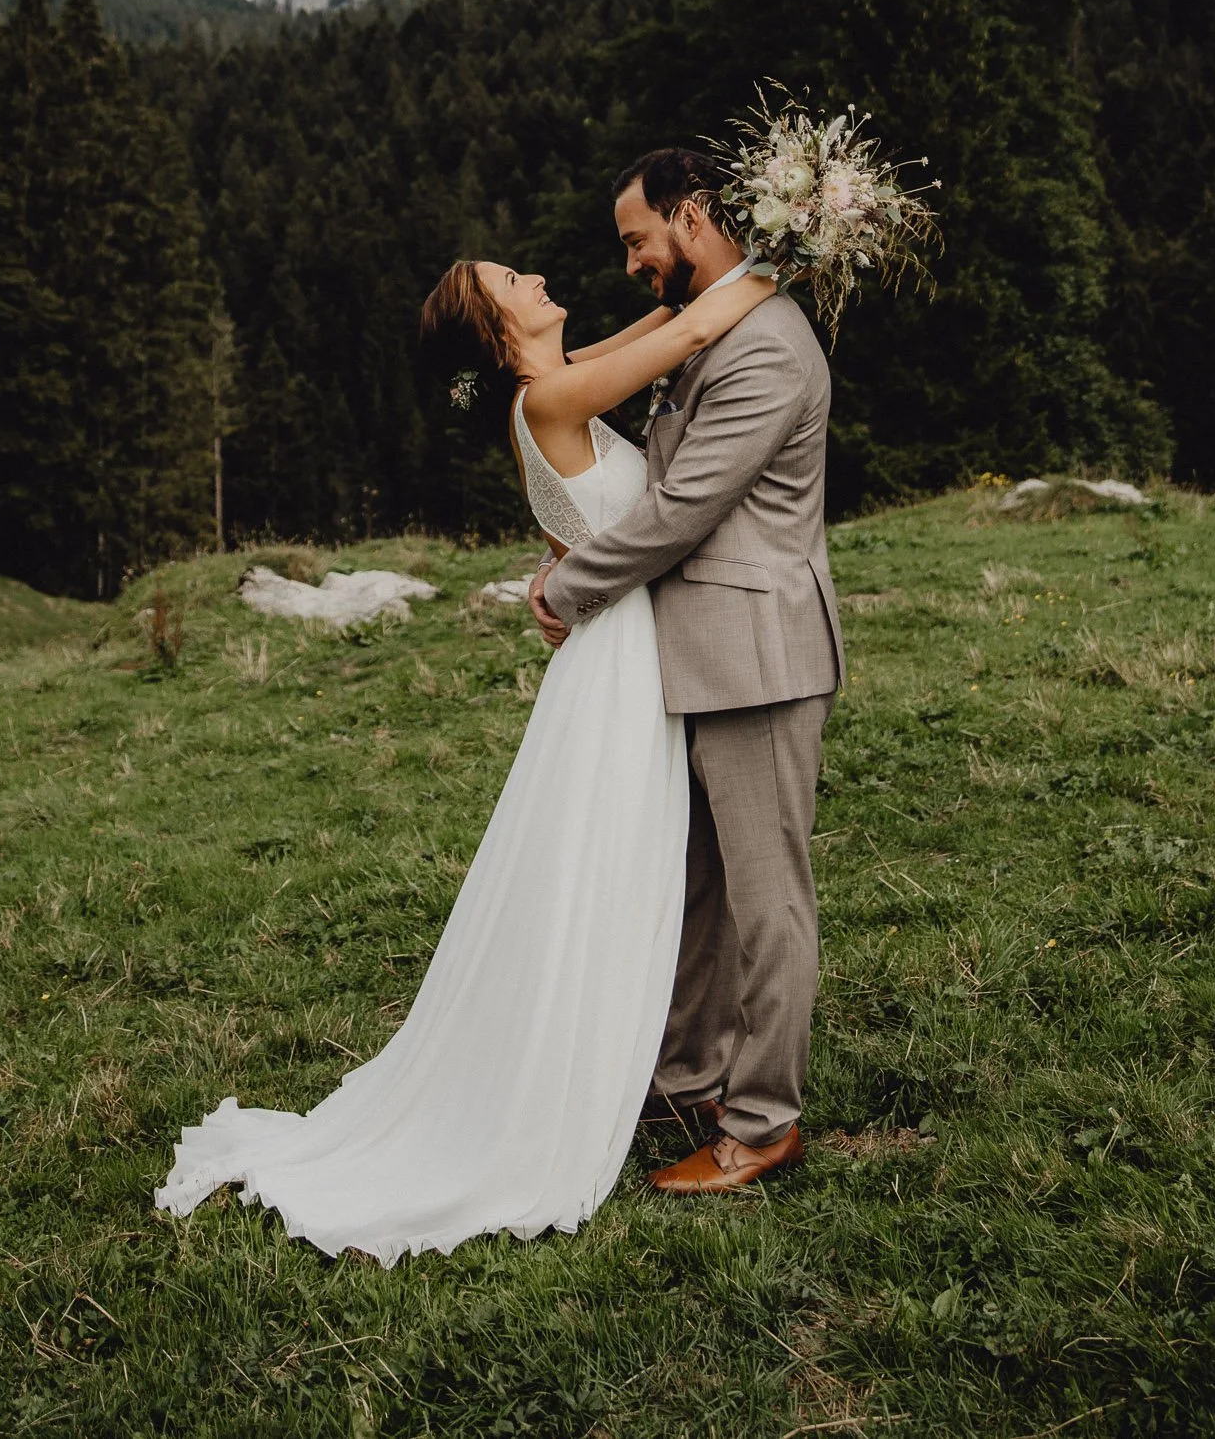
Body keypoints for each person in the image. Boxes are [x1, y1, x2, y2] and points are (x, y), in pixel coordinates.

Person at [155, 243, 772, 1262]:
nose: (532, 279)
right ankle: (587, 1076)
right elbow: (696, 330)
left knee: (612, 869)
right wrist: (798, 241)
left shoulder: (558, 386)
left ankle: (629, 1060)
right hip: (618, 672)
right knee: (605, 870)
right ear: (500, 333)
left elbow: (664, 336)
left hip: (618, 660)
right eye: (510, 285)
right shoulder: (548, 404)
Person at [530, 148, 844, 1193]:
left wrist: (569, 589)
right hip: (700, 658)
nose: (628, 262)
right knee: (701, 895)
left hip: (758, 655)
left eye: (636, 238)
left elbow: (682, 509)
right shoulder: (706, 330)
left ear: (695, 214)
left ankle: (761, 1126)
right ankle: (689, 1082)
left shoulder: (767, 349)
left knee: (767, 904)